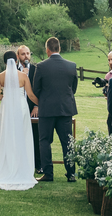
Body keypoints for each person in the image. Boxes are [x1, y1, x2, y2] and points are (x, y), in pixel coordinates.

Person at [0, 52, 39, 190]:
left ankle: (7, 166)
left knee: (8, 136)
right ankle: (23, 168)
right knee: (22, 135)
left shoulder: (0, 76)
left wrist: (6, 97)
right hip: (21, 107)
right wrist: (40, 104)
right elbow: (30, 95)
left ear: (4, 61)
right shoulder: (23, 76)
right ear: (17, 59)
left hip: (7, 108)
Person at [32, 37, 79, 183]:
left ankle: (48, 174)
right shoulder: (71, 66)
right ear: (59, 48)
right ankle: (71, 174)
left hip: (46, 109)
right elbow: (74, 88)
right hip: (65, 109)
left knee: (45, 141)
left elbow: (36, 89)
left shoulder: (41, 66)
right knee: (67, 142)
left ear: (47, 50)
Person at [15, 45, 41, 174]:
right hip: (17, 108)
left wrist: (37, 106)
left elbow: (40, 89)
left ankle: (38, 164)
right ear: (18, 56)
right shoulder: (13, 70)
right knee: (18, 136)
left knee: (36, 136)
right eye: (23, 54)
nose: (26, 56)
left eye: (28, 54)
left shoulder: (37, 70)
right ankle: (19, 164)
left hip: (32, 109)